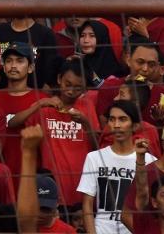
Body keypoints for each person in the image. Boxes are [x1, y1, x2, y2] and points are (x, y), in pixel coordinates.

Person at [10, 57, 99, 206]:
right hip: (50, 189)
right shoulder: (45, 107)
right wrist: (40, 103)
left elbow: (97, 148)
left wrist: (86, 123)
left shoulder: (88, 107)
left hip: (82, 185)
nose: (71, 91)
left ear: (84, 89)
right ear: (59, 79)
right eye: (67, 84)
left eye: (77, 88)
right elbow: (12, 123)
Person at [77, 101, 156, 234]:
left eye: (122, 119)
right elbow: (87, 204)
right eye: (112, 119)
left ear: (135, 125)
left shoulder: (150, 161)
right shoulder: (94, 158)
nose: (116, 125)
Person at [0, 42, 48, 179]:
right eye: (9, 61)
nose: (13, 65)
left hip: (31, 171)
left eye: (19, 61)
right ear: (4, 67)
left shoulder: (43, 98)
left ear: (30, 67)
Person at [0, 0, 58, 88]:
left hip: (35, 96)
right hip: (1, 96)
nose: (19, 3)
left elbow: (49, 77)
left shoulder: (46, 34)